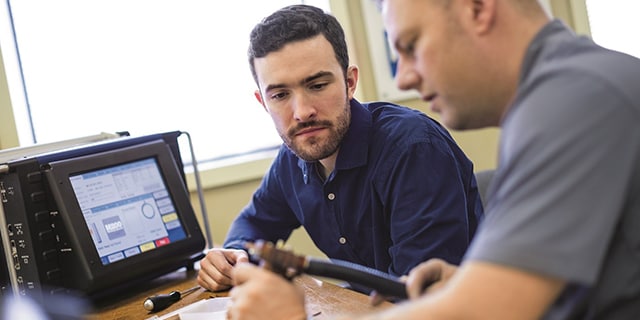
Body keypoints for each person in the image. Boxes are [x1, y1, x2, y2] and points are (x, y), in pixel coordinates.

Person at [226, 0, 640, 319]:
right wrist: (467, 284)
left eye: (411, 45)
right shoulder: (564, 96)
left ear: (477, 9)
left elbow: (483, 310)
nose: (403, 77)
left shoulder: (577, 103)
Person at [196, 4, 483, 295]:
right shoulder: (292, 157)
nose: (302, 112)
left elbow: (420, 300)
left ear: (349, 82)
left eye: (317, 85)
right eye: (280, 95)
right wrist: (232, 257)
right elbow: (253, 223)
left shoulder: (414, 149)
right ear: (263, 102)